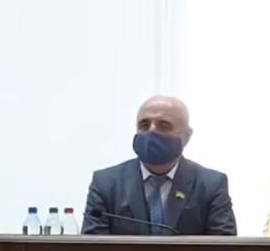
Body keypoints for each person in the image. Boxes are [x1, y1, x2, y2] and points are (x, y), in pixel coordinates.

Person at [82, 95, 236, 235]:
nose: (151, 132)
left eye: (164, 126)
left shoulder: (211, 185)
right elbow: (91, 249)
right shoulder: (106, 184)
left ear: (186, 136)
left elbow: (224, 249)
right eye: (144, 125)